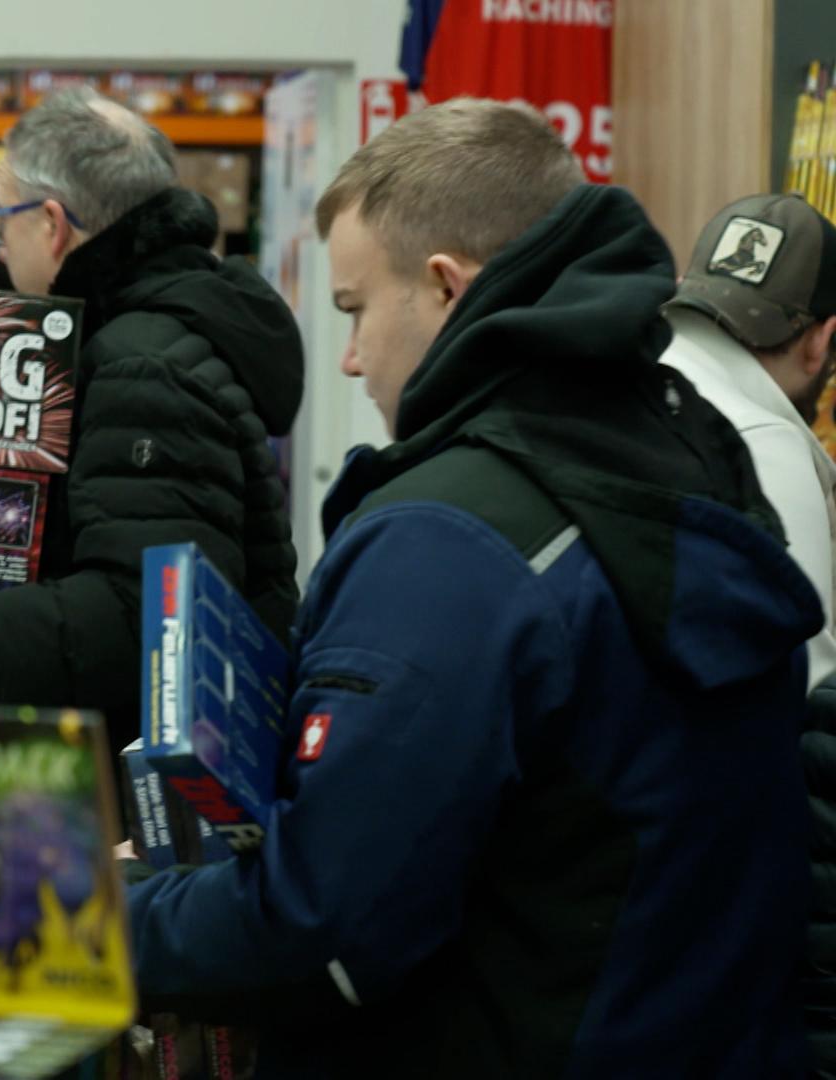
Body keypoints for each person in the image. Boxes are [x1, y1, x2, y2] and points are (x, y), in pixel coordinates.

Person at [125, 99, 820, 1076]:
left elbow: (325, 925)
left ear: (446, 288)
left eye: (356, 308)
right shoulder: (681, 452)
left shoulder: (447, 539)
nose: (354, 357)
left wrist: (95, 918)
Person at [0, 88, 305, 751]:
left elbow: (150, 608)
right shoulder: (121, 339)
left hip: (143, 792)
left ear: (50, 223)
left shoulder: (141, 362)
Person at [659, 196, 836, 1078]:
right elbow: (811, 704)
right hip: (737, 892)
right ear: (820, 340)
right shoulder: (769, 442)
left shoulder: (644, 382)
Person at [660, 194, 836, 689]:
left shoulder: (620, 382)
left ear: (685, 289)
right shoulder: (769, 449)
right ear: (822, 341)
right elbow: (806, 691)